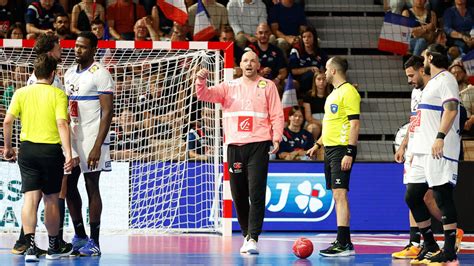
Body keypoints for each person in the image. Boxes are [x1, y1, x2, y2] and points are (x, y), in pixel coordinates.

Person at [195, 51, 284, 254]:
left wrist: (276, 137)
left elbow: (277, 114)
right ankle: (246, 235)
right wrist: (200, 79)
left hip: (258, 145)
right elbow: (203, 94)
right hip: (234, 147)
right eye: (245, 60)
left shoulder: (267, 86)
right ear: (240, 65)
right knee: (239, 195)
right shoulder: (229, 86)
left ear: (258, 65)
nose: (249, 63)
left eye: (253, 60)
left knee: (256, 192)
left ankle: (253, 237)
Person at [3, 54, 73, 262]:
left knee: (30, 199)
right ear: (53, 74)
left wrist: (8, 148)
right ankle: (53, 248)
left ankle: (31, 248)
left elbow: (7, 122)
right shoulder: (58, 95)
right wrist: (68, 152)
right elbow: (62, 124)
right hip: (51, 152)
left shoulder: (21, 93)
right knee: (51, 198)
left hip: (27, 151)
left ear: (34, 72)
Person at [406, 44, 460, 264]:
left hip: (438, 148)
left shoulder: (446, 78)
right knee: (412, 196)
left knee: (441, 195)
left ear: (429, 57)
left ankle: (449, 249)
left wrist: (439, 136)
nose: (422, 61)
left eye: (424, 57)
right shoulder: (430, 84)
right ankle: (429, 244)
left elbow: (451, 109)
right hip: (421, 151)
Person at [64, 31, 114, 257]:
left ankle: (95, 241)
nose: (77, 50)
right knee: (68, 185)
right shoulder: (68, 74)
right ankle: (79, 235)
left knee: (91, 186)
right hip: (73, 139)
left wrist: (97, 145)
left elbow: (107, 112)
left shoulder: (101, 74)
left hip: (93, 139)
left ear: (93, 49)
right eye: (76, 46)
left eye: (83, 47)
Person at [392, 55, 445, 259]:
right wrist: (404, 144)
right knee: (412, 193)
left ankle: (453, 231)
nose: (409, 80)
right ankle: (415, 242)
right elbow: (414, 120)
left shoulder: (437, 88)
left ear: (422, 70)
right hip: (414, 149)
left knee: (428, 198)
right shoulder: (415, 92)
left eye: (411, 75)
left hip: (431, 149)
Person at [307, 56, 360, 257]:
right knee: (337, 195)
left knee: (340, 194)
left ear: (334, 71)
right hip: (329, 149)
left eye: (327, 69)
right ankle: (344, 241)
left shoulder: (349, 92)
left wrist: (349, 152)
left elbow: (354, 125)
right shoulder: (333, 94)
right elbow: (330, 126)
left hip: (341, 149)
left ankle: (344, 244)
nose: (324, 73)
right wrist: (317, 144)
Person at [302, 72, 330, 140]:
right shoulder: (308, 95)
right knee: (313, 128)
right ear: (315, 81)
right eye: (319, 79)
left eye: (324, 79)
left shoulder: (331, 95)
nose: (321, 81)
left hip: (327, 120)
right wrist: (321, 123)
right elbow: (308, 117)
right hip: (312, 121)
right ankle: (313, 146)